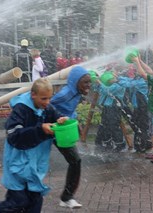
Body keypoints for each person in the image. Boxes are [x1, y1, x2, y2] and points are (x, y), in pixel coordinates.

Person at [0, 78, 68, 212]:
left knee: (35, 201)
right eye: (44, 98)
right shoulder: (21, 109)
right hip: (18, 163)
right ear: (33, 95)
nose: (47, 102)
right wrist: (40, 130)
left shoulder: (47, 108)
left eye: (50, 98)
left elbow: (57, 117)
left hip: (34, 164)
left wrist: (63, 121)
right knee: (18, 201)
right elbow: (14, 136)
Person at [50, 66, 91, 208]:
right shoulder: (64, 94)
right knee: (36, 163)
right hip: (50, 130)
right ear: (75, 82)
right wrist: (58, 119)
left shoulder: (76, 92)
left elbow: (70, 110)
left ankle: (67, 197)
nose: (88, 86)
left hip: (62, 131)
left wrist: (75, 120)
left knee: (75, 161)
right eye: (85, 82)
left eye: (89, 82)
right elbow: (46, 106)